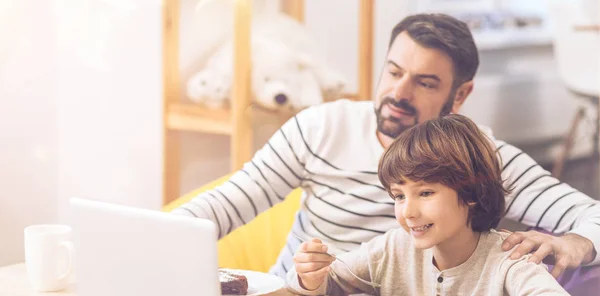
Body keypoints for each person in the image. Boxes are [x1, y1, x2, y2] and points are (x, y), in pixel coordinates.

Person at [172, 14, 599, 281]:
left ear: (461, 94)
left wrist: (579, 242)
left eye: (425, 82)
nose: (399, 92)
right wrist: (152, 239)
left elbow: (591, 215)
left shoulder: (484, 157)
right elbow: (224, 205)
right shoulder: (321, 128)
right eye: (393, 72)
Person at [287, 114, 584, 296]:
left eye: (426, 193)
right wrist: (309, 276)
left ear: (470, 193)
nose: (409, 211)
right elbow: (329, 280)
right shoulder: (392, 250)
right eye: (399, 196)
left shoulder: (508, 257)